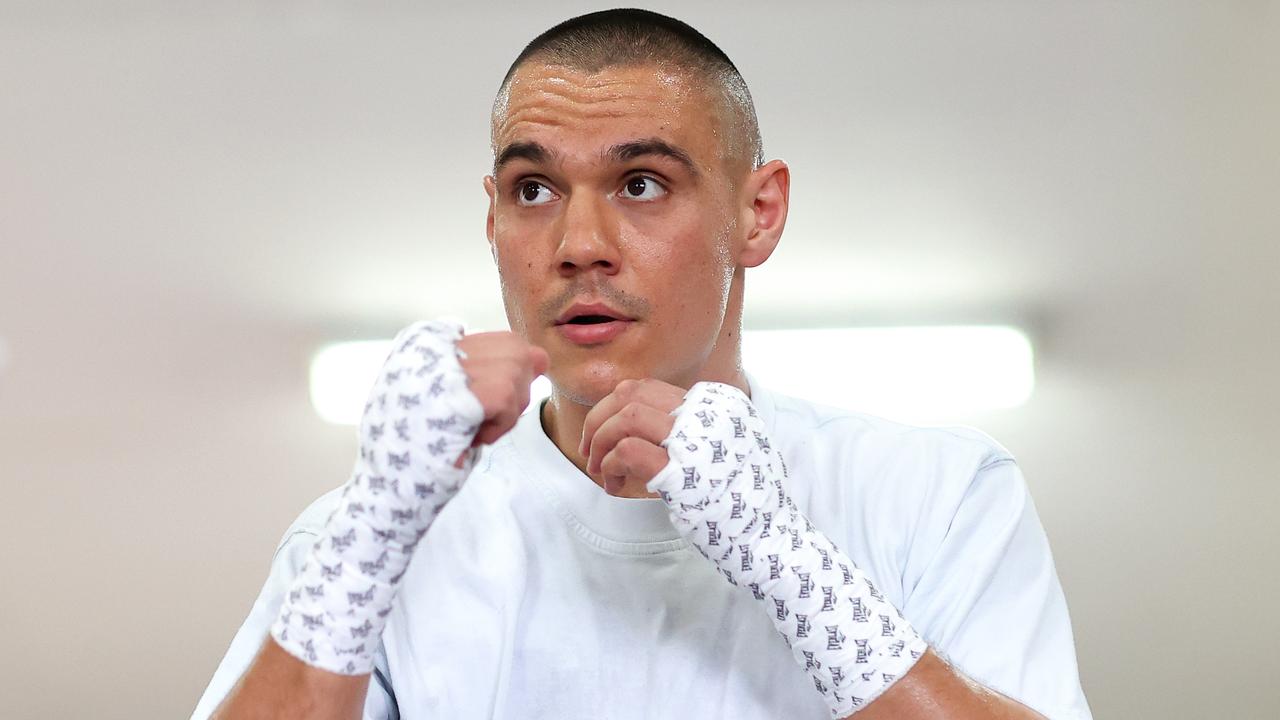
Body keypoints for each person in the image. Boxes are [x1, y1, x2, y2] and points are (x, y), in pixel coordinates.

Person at [192, 9, 1092, 720]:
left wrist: (798, 573)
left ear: (759, 212)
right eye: (533, 190)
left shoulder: (933, 494)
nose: (580, 245)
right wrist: (371, 537)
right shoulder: (366, 542)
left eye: (642, 183)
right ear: (492, 219)